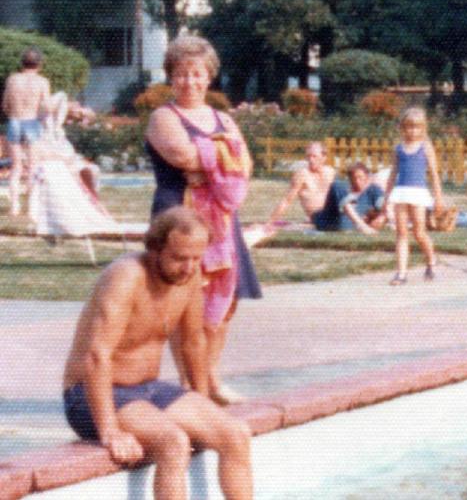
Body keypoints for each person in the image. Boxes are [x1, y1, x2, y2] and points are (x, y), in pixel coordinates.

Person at [62, 207, 252, 500]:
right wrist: (110, 430)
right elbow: (97, 355)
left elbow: (192, 342)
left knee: (236, 435)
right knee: (174, 442)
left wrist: (201, 398)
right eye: (179, 258)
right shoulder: (126, 277)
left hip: (149, 391)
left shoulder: (188, 277)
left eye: (196, 258)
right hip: (93, 395)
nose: (189, 269)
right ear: (154, 249)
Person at [145, 36, 260, 406]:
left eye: (196, 74)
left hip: (221, 223)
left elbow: (246, 165)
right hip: (178, 216)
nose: (189, 81)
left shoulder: (223, 118)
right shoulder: (164, 117)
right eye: (180, 74)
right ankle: (188, 383)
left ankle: (210, 378)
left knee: (224, 303)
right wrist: (224, 155)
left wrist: (214, 162)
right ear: (171, 78)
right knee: (185, 302)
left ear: (208, 76)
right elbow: (182, 155)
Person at [383, 107, 444, 283]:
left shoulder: (425, 147)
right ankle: (401, 273)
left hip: (418, 193)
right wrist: (387, 197)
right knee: (401, 232)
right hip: (401, 192)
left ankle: (431, 260)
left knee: (419, 232)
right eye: (409, 127)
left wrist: (438, 197)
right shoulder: (399, 149)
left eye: (416, 127)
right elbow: (393, 174)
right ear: (402, 128)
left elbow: (433, 173)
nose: (412, 131)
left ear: (423, 128)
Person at [4, 47, 51, 216]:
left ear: (22, 62)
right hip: (32, 122)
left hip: (15, 121)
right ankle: (32, 206)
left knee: (15, 167)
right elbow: (46, 107)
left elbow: (5, 105)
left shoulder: (12, 80)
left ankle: (15, 206)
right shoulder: (42, 82)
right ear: (39, 64)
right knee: (33, 167)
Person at [267, 142, 346, 231]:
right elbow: (286, 201)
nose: (311, 160)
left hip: (336, 215)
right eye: (308, 156)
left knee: (342, 188)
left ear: (324, 157)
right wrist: (270, 222)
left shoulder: (331, 172)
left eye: (314, 156)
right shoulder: (302, 175)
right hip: (319, 218)